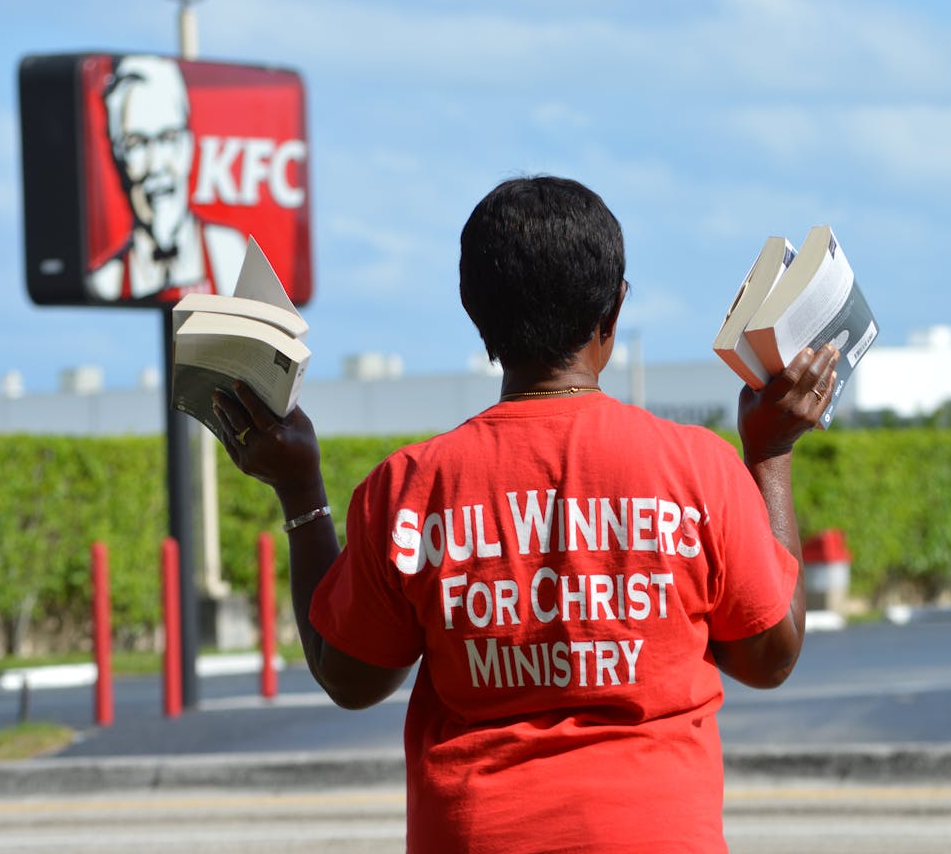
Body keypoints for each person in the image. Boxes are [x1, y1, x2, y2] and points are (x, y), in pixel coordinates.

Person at [212, 175, 839, 853]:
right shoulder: (700, 469)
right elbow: (770, 655)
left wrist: (301, 488)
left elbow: (350, 675)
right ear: (614, 310)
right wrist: (770, 454)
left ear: (473, 310)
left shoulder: (411, 487)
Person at [87, 55, 246, 302]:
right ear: (117, 157)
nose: (156, 164)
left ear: (189, 145)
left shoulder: (230, 256)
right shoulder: (106, 283)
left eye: (168, 138)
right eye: (137, 143)